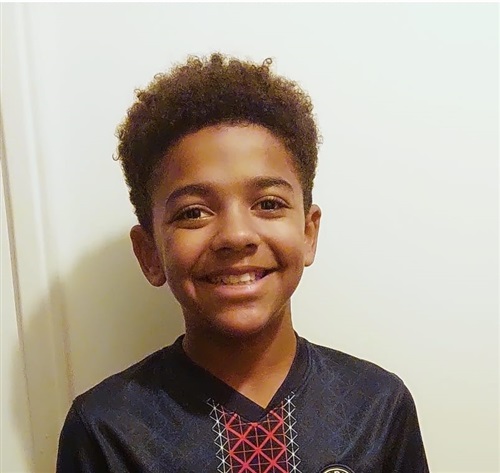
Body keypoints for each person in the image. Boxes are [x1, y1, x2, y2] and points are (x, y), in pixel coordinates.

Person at [56, 53, 429, 473]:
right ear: (150, 253)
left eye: (268, 204)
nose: (236, 236)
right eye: (193, 212)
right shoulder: (107, 430)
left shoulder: (377, 407)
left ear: (308, 233)